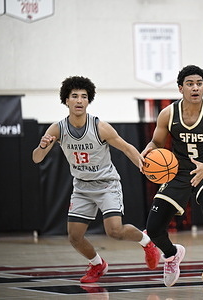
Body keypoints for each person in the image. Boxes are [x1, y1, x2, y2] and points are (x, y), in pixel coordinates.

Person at [32, 76, 160, 283]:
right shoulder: (57, 129)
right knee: (74, 236)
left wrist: (142, 163)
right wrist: (43, 146)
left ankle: (147, 243)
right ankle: (97, 264)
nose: (79, 100)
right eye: (74, 96)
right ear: (66, 100)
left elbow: (126, 147)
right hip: (81, 187)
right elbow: (37, 158)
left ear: (89, 100)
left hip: (106, 184)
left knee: (115, 231)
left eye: (84, 96)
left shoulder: (100, 127)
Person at [140, 65, 203, 295]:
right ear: (180, 88)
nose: (195, 88)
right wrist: (148, 150)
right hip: (178, 171)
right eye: (190, 84)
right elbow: (156, 142)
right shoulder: (168, 114)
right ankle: (172, 254)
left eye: (199, 83)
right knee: (153, 228)